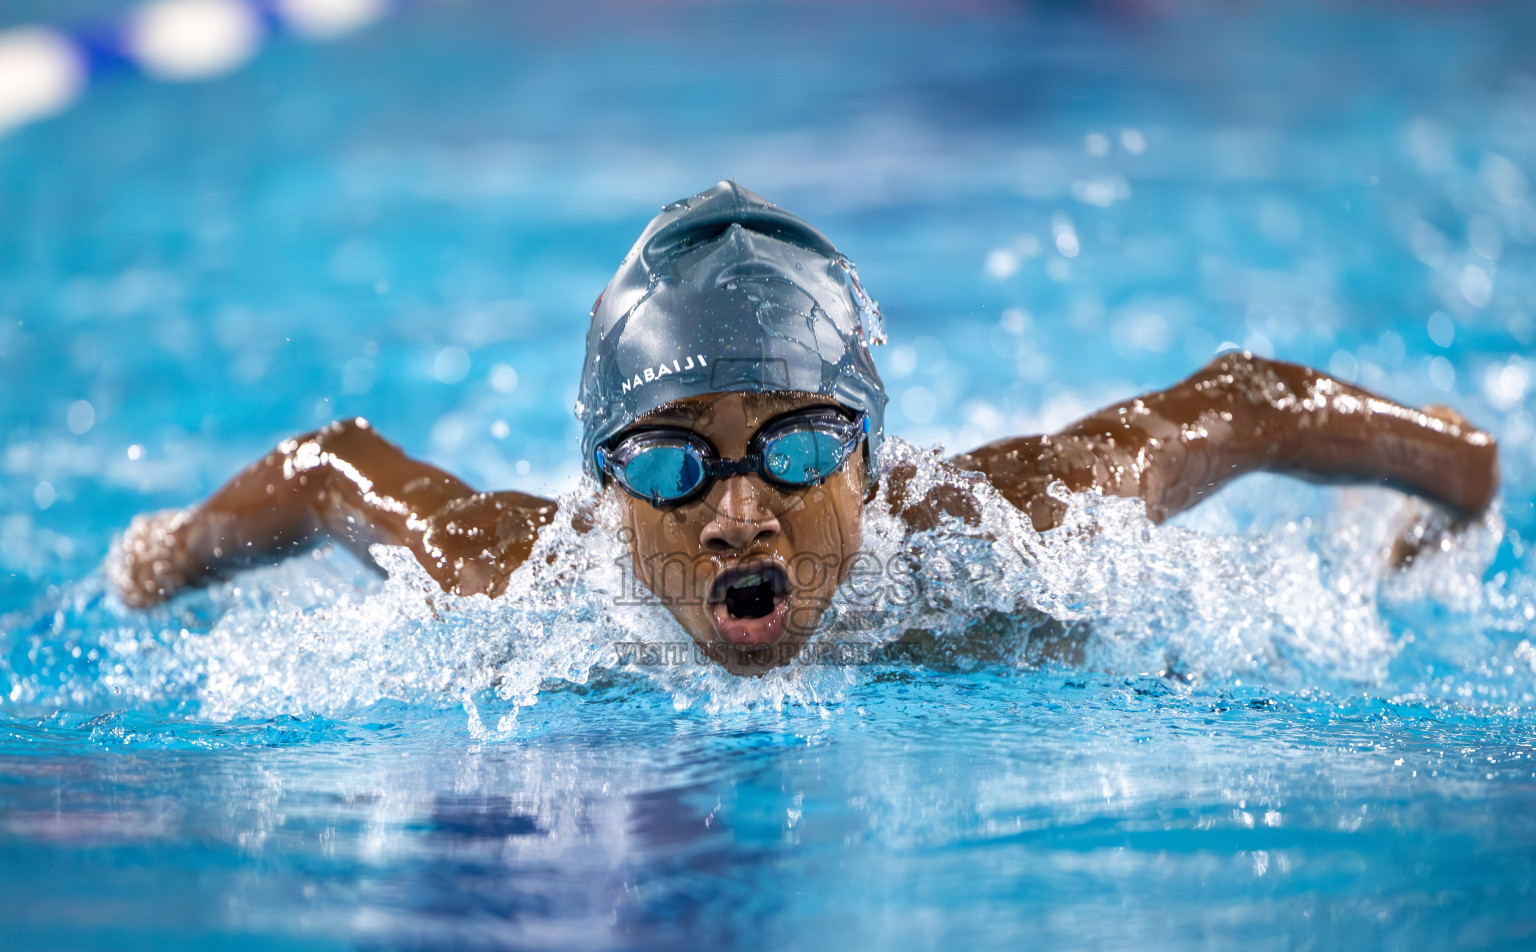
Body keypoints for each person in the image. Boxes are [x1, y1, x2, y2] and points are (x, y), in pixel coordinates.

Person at [109, 181, 1500, 674]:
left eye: (795, 443)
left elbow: (1246, 402)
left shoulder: (993, 540)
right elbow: (333, 467)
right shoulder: (523, 585)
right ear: (600, 493)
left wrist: (1460, 481)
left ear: (872, 463)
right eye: (665, 455)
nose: (736, 510)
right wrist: (159, 560)